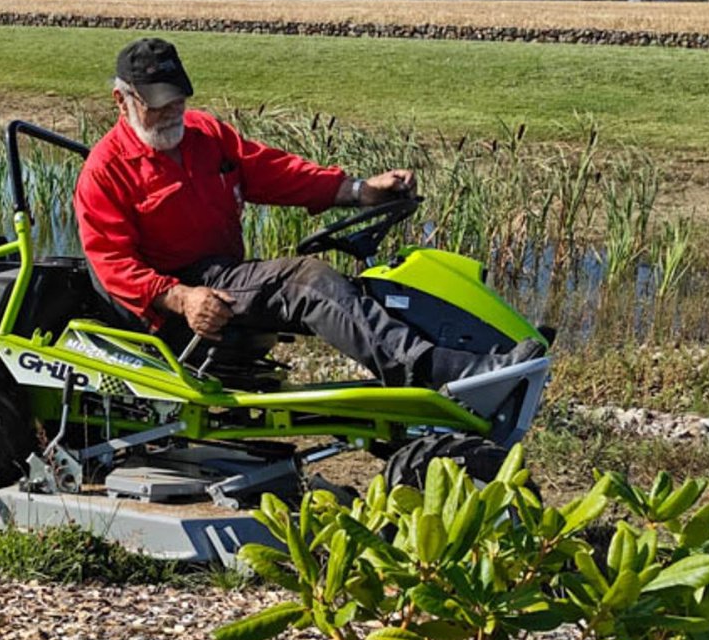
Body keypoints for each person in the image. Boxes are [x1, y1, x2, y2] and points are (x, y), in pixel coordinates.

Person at [73, 37, 545, 388]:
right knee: (307, 282)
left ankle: (483, 355)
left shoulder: (205, 135)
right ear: (123, 100)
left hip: (224, 273)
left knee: (371, 286)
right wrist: (181, 298)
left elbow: (277, 174)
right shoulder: (105, 171)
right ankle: (439, 373)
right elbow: (112, 265)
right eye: (158, 105)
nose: (173, 112)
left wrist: (360, 190)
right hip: (177, 297)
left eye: (177, 100)